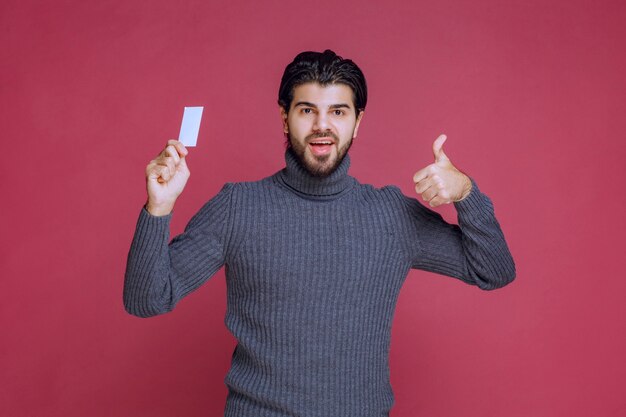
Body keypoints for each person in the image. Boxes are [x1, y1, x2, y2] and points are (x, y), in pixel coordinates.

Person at [124, 49, 515, 417]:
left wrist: (465, 192)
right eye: (307, 109)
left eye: (338, 111)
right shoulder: (238, 207)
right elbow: (146, 300)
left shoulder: (391, 216)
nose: (322, 125)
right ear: (284, 117)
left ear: (357, 122)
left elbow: (495, 270)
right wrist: (158, 208)